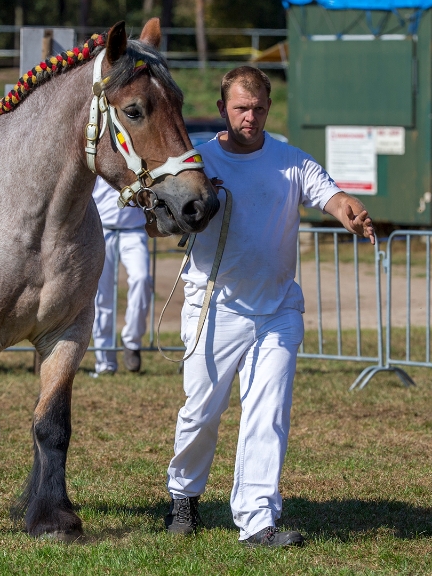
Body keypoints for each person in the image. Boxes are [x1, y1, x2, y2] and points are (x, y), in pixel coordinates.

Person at [163, 67, 375, 548]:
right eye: (240, 108)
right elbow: (162, 215)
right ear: (222, 109)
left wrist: (350, 212)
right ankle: (183, 496)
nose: (250, 117)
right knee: (201, 412)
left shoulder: (291, 161)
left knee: (269, 412)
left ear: (268, 109)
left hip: (277, 310)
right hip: (213, 306)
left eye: (258, 108)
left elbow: (331, 195)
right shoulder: (197, 160)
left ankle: (257, 520)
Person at [91, 176, 152, 375]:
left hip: (134, 231)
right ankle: (105, 361)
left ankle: (132, 342)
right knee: (102, 296)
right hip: (101, 230)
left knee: (141, 279)